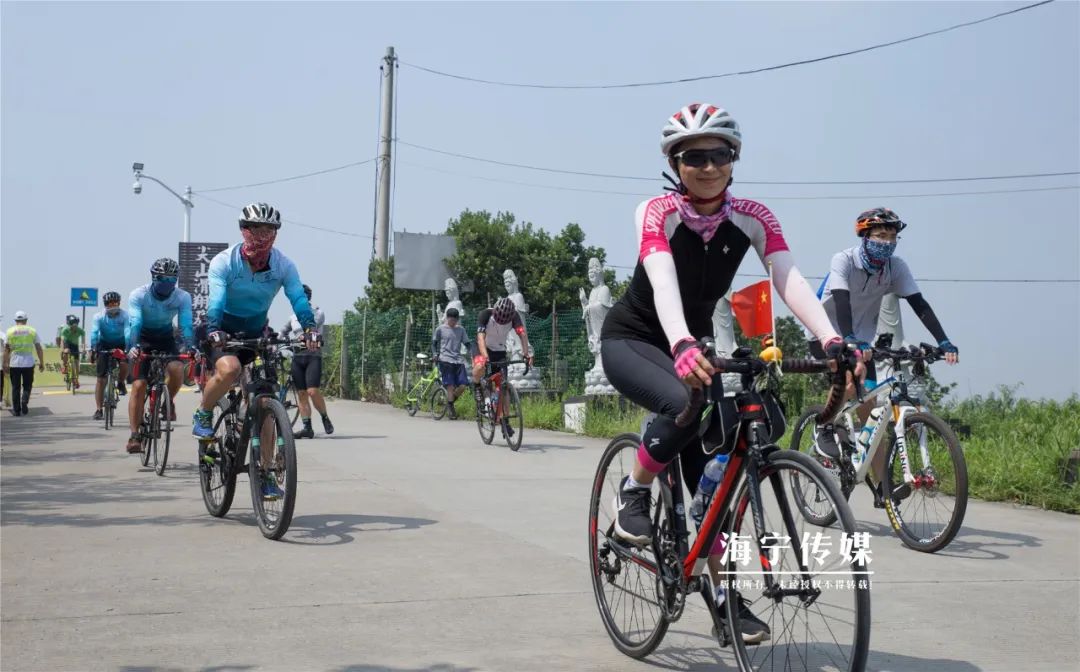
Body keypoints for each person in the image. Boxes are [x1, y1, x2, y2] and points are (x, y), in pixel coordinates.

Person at [599, 103, 864, 643]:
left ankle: (724, 599)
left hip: (692, 349)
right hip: (637, 340)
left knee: (711, 491)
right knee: (681, 400)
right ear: (675, 163)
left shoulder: (753, 216)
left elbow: (786, 276)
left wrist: (829, 338)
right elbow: (662, 274)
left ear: (733, 158)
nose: (708, 166)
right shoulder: (656, 211)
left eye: (718, 154)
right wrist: (679, 342)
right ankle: (634, 492)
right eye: (693, 156)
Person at [810, 208, 959, 486]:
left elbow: (919, 304)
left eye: (892, 237)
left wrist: (943, 340)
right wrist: (848, 338)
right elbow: (841, 301)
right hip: (825, 331)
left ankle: (882, 487)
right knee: (850, 382)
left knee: (871, 416)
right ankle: (824, 425)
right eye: (880, 235)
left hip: (863, 339)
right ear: (864, 236)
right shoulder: (843, 260)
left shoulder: (896, 267)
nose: (887, 242)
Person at [193, 202, 317, 500]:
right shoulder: (224, 262)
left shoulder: (283, 265)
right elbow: (217, 300)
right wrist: (213, 328)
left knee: (267, 402)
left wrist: (310, 328)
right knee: (230, 370)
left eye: (270, 230)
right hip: (221, 331)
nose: (263, 236)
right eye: (257, 229)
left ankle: (266, 474)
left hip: (256, 333)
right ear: (244, 231)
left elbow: (298, 298)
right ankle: (204, 412)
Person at [125, 258, 194, 453]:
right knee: (139, 386)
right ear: (154, 278)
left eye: (173, 279)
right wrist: (133, 346)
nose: (168, 283)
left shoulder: (182, 297)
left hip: (166, 338)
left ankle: (167, 401)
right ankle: (134, 435)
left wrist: (190, 346)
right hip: (143, 338)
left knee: (177, 368)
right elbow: (135, 323)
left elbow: (186, 324)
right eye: (163, 278)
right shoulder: (139, 294)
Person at [471, 297, 533, 438]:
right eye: (499, 320)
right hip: (483, 347)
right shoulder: (485, 315)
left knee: (503, 387)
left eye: (504, 321)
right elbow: (480, 338)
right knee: (480, 365)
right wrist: (485, 357)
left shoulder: (515, 315)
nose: (501, 322)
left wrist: (526, 354)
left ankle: (505, 422)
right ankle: (476, 386)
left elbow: (522, 334)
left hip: (499, 351)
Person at [281, 284, 332, 439]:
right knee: (302, 393)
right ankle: (307, 427)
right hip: (297, 357)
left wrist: (304, 336)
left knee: (312, 391)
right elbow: (283, 332)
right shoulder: (292, 317)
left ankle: (324, 417)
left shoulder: (317, 313)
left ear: (308, 298)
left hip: (313, 355)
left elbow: (312, 328)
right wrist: (283, 341)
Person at [90, 292, 130, 420]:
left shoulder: (125, 315)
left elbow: (128, 332)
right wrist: (93, 348)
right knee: (101, 380)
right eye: (109, 303)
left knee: (124, 363)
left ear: (119, 303)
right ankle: (98, 409)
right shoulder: (99, 316)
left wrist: (129, 347)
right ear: (105, 304)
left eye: (115, 302)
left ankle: (121, 382)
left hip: (121, 343)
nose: (113, 305)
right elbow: (94, 332)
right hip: (104, 344)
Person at [3, 311, 45, 417]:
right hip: (28, 362)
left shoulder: (9, 331)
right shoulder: (32, 331)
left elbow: (7, 349)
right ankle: (24, 400)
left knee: (15, 387)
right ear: (26, 320)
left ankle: (17, 410)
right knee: (27, 385)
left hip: (14, 362)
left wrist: (5, 363)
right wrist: (41, 362)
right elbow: (39, 348)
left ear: (15, 320)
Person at [432, 307, 470, 419]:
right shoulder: (440, 329)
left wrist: (473, 353)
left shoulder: (461, 330)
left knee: (463, 385)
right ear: (447, 318)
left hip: (458, 360)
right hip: (445, 360)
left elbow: (467, 343)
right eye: (451, 320)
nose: (453, 323)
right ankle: (451, 409)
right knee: (450, 385)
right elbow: (434, 343)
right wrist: (435, 354)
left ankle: (450, 400)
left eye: (455, 320)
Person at [59, 315, 84, 390]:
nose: (74, 325)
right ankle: (65, 366)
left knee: (76, 365)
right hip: (67, 343)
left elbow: (83, 342)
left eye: (75, 323)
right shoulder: (65, 330)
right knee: (66, 351)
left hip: (75, 345)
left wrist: (83, 349)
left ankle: (76, 380)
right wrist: (62, 350)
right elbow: (62, 341)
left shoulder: (81, 331)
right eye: (72, 323)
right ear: (69, 324)